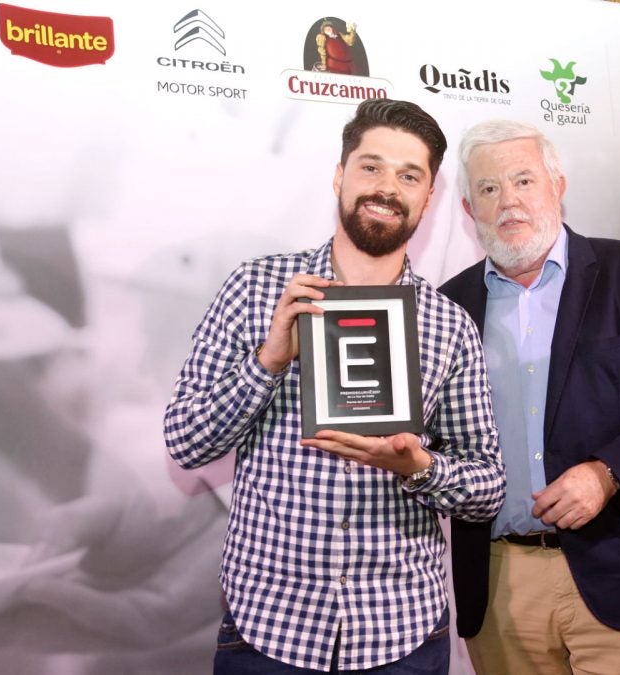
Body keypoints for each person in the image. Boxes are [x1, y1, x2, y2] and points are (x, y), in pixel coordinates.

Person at [163, 99, 505, 674]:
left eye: (408, 175)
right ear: (339, 175)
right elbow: (184, 442)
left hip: (400, 631)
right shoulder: (256, 288)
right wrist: (268, 361)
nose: (386, 187)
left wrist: (418, 467)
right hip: (269, 628)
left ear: (428, 198)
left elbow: (488, 485)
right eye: (370, 166)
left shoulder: (448, 325)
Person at [440, 120, 620, 674]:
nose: (508, 201)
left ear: (558, 185)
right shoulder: (446, 306)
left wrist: (608, 472)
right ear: (467, 207)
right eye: (488, 188)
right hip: (499, 587)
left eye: (524, 181)